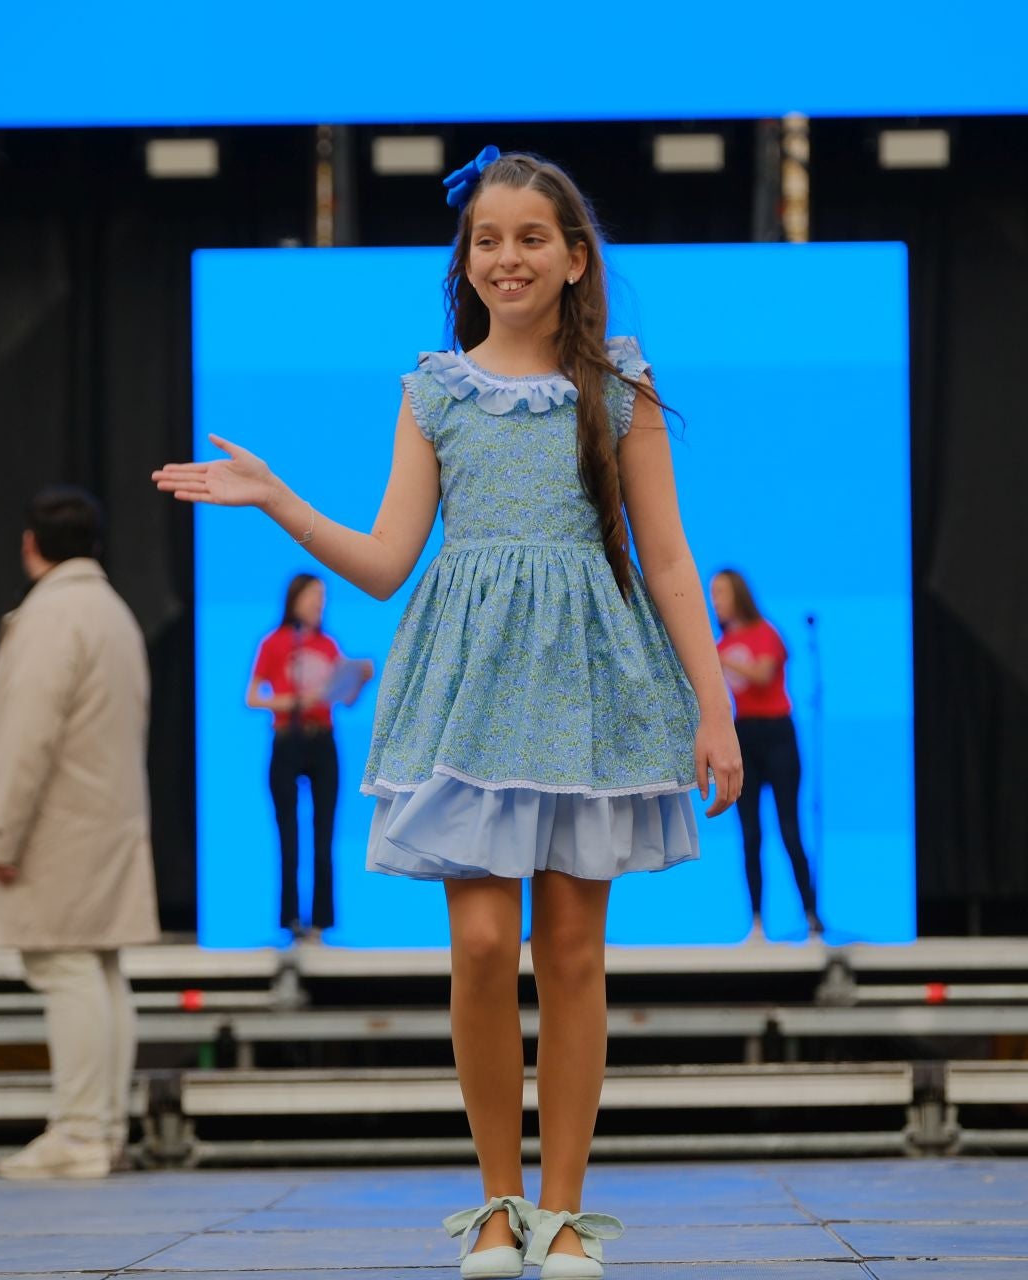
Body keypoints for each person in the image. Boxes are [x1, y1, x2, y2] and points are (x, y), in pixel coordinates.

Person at [155, 148, 741, 1280]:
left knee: (571, 950)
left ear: (576, 259)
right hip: (470, 691)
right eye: (486, 239)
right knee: (480, 943)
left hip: (590, 687)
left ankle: (563, 1214)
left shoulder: (618, 388)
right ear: (464, 261)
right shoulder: (433, 388)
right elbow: (382, 564)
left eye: (530, 238)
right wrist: (277, 498)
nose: (506, 257)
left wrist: (711, 709)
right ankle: (493, 1201)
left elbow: (668, 560)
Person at [0, 489, 160, 1180]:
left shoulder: (52, 615)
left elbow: (28, 738)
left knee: (66, 965)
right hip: (104, 814)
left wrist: (2, 835)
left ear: (31, 544)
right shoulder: (111, 611)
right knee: (99, 967)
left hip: (59, 820)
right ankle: (103, 1127)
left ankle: (82, 1133)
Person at [247, 573, 374, 942]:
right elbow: (252, 696)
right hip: (287, 738)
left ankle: (321, 921)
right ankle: (289, 920)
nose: (319, 603)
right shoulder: (274, 643)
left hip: (323, 741)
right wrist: (289, 702)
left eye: (323, 597)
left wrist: (360, 680)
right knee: (288, 834)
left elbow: (343, 699)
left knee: (324, 834)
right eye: (314, 596)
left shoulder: (328, 645)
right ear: (296, 599)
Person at [711, 569, 822, 941]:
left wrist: (721, 658)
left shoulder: (766, 634)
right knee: (750, 833)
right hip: (744, 737)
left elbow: (762, 675)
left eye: (721, 592)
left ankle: (810, 914)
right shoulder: (721, 645)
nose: (716, 600)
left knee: (790, 830)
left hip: (778, 735)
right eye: (712, 594)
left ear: (738, 594)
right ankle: (757, 922)